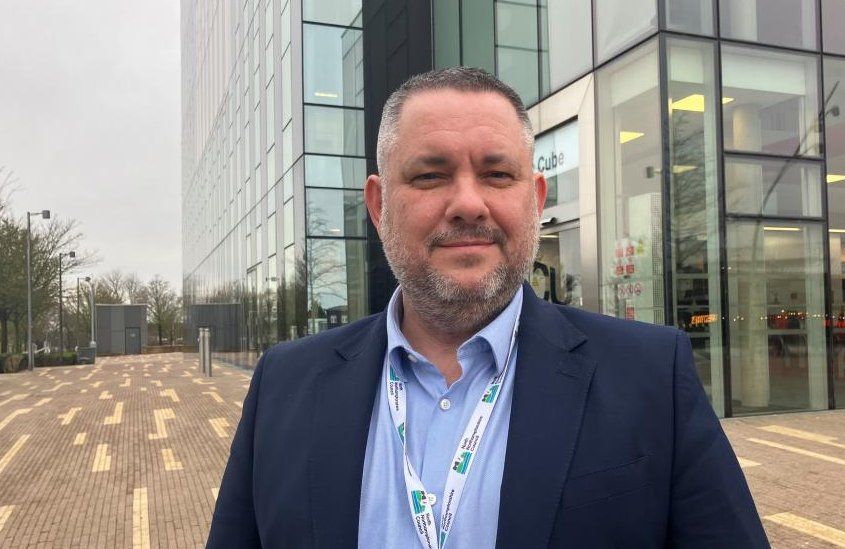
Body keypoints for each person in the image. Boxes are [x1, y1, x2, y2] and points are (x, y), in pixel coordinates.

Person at [207, 67, 769, 549]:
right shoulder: (285, 383)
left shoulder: (650, 377)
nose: (469, 203)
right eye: (431, 175)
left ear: (536, 200)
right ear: (378, 206)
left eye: (498, 175)